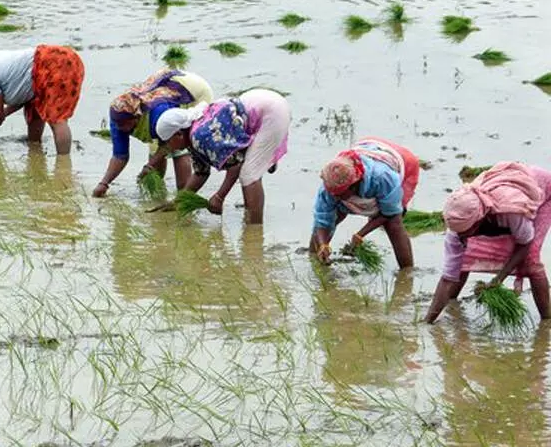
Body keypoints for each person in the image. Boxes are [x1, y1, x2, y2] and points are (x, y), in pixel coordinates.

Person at [425, 162, 551, 324]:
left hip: (544, 191)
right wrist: (427, 321)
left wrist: (498, 279)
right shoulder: (457, 224)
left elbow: (525, 243)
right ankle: (450, 303)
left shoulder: (510, 211)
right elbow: (447, 278)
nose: (460, 236)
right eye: (459, 233)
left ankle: (547, 321)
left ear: (478, 221)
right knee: (466, 254)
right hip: (510, 185)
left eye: (466, 232)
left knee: (531, 259)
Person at [155, 88, 291, 225]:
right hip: (260, 104)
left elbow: (235, 166)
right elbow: (201, 173)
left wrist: (219, 197)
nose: (169, 148)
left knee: (249, 175)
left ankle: (254, 231)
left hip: (270, 112)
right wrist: (179, 201)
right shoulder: (193, 134)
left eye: (167, 142)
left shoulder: (199, 136)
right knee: (251, 168)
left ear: (178, 133)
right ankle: (265, 161)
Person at [92, 68, 214, 197]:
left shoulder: (157, 113)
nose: (120, 127)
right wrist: (104, 183)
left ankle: (183, 195)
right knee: (154, 149)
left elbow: (169, 145)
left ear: (136, 117)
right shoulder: (118, 117)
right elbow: (120, 156)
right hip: (165, 92)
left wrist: (149, 166)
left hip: (193, 91)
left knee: (180, 147)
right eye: (117, 124)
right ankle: (157, 192)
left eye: (124, 124)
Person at [310, 138, 421, 268]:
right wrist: (323, 244)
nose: (335, 197)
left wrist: (360, 234)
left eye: (340, 194)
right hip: (366, 147)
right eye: (333, 193)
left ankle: (407, 273)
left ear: (354, 185)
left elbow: (389, 213)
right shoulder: (329, 187)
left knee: (393, 225)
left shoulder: (382, 178)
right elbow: (322, 220)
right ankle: (314, 260)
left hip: (402, 160)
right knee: (336, 214)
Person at [0, 45, 85, 156]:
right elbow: (22, 97)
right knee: (35, 111)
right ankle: (35, 151)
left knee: (57, 120)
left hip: (53, 64)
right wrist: (2, 115)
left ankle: (63, 167)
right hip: (67, 57)